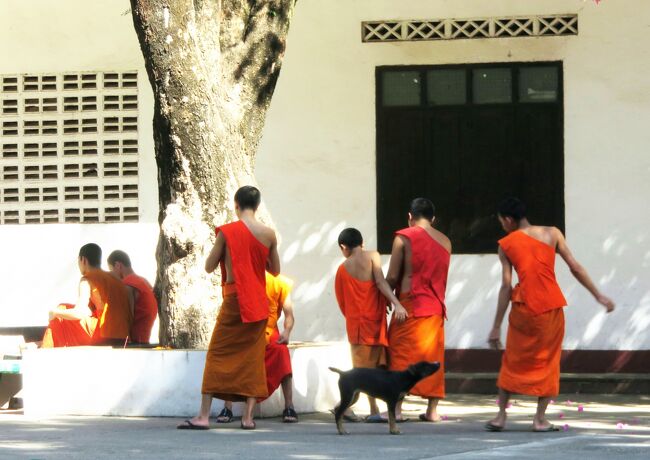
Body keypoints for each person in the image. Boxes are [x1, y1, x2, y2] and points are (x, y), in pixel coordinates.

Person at [485, 197, 615, 432]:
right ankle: (539, 419)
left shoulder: (505, 244)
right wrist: (598, 295)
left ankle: (500, 417)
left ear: (508, 220)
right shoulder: (552, 233)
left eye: (502, 222)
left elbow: (506, 286)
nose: (502, 227)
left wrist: (496, 326)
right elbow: (575, 267)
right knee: (548, 362)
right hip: (550, 307)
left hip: (523, 308)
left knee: (513, 360)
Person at [178, 185, 280, 431]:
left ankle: (203, 416)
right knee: (253, 357)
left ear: (236, 205)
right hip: (257, 300)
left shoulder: (228, 231)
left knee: (218, 353)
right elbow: (275, 270)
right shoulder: (269, 234)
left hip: (235, 299)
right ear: (256, 207)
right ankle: (247, 418)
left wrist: (228, 253)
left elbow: (209, 266)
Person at [385, 198, 451, 422]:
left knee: (400, 355)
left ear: (410, 216)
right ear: (433, 219)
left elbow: (393, 275)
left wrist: (390, 296)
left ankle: (396, 410)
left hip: (410, 304)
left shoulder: (404, 236)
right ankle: (432, 411)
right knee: (432, 356)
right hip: (435, 307)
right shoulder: (446, 241)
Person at [334, 227, 407, 422]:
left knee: (362, 370)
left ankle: (371, 408)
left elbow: (342, 302)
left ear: (344, 247)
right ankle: (357, 408)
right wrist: (394, 303)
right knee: (375, 367)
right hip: (376, 321)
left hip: (357, 325)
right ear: (362, 243)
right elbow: (381, 283)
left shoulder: (342, 269)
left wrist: (353, 317)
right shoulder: (373, 255)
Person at [217, 272, 298, 423]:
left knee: (282, 352)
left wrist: (286, 332)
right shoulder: (242, 278)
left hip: (269, 332)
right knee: (231, 357)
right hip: (244, 331)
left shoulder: (279, 281)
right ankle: (227, 407)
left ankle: (289, 406)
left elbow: (289, 315)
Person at [42, 243, 133, 347]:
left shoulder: (87, 279)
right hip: (124, 336)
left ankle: (46, 349)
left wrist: (54, 312)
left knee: (61, 310)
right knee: (67, 311)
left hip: (104, 334)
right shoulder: (113, 277)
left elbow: (79, 312)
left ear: (83, 260)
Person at [107, 250, 158, 345]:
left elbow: (125, 319)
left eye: (111, 270)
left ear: (118, 265)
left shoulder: (127, 284)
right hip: (144, 340)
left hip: (133, 343)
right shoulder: (144, 281)